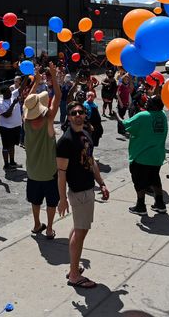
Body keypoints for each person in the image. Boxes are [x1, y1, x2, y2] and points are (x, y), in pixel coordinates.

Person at [57, 101, 109, 289]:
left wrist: (101, 183)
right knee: (81, 232)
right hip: (79, 191)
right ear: (69, 117)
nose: (78, 115)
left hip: (88, 189)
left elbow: (91, 160)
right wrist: (62, 199)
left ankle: (74, 267)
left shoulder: (86, 134)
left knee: (78, 230)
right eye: (74, 113)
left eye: (81, 112)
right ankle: (74, 275)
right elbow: (61, 172)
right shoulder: (65, 141)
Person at [23, 63, 61, 240]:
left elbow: (28, 101)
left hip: (32, 171)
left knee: (35, 200)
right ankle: (49, 228)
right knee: (51, 202)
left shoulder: (26, 120)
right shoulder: (48, 121)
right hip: (49, 172)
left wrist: (36, 82)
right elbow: (58, 98)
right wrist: (53, 77)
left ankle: (37, 224)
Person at [122, 95, 168, 215]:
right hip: (157, 156)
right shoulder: (162, 115)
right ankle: (160, 204)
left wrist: (117, 115)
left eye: (149, 101)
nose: (146, 102)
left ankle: (141, 205)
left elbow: (125, 124)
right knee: (155, 179)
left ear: (154, 105)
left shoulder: (143, 116)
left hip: (141, 156)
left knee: (139, 182)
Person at [0, 86, 22, 170]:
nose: (10, 93)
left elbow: (22, 87)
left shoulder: (12, 95)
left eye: (10, 91)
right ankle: (6, 165)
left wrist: (26, 75)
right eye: (8, 92)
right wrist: (13, 103)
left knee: (12, 145)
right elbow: (7, 115)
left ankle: (12, 162)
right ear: (4, 94)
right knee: (6, 147)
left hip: (16, 127)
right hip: (6, 128)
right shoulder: (0, 104)